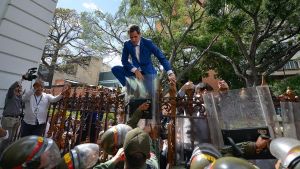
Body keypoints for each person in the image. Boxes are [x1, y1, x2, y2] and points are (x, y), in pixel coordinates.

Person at [111, 24, 176, 95]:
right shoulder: (127, 44)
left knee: (151, 94)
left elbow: (161, 57)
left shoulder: (148, 43)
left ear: (140, 35)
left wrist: (170, 72)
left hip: (148, 73)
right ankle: (131, 90)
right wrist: (135, 70)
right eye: (131, 37)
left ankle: (145, 91)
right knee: (115, 69)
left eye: (135, 37)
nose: (133, 39)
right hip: (134, 72)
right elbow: (124, 61)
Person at [94, 128, 158, 169]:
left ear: (123, 155)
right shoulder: (154, 165)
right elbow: (153, 156)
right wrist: (152, 139)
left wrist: (115, 159)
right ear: (148, 156)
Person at [0, 81, 22, 153]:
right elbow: (11, 87)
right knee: (6, 139)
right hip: (8, 119)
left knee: (11, 139)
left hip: (15, 120)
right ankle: (1, 155)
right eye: (17, 88)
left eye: (19, 88)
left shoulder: (18, 97)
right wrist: (20, 80)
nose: (18, 89)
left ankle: (6, 154)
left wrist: (20, 93)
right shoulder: (10, 95)